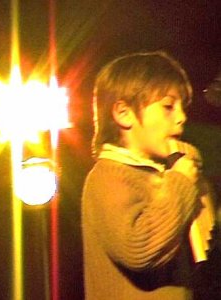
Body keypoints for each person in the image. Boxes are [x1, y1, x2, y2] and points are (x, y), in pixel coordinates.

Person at [81, 51, 216, 299]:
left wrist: (198, 185)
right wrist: (181, 183)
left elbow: (208, 254)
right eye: (168, 107)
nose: (181, 117)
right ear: (124, 113)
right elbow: (140, 249)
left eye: (182, 107)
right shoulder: (108, 177)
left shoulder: (172, 171)